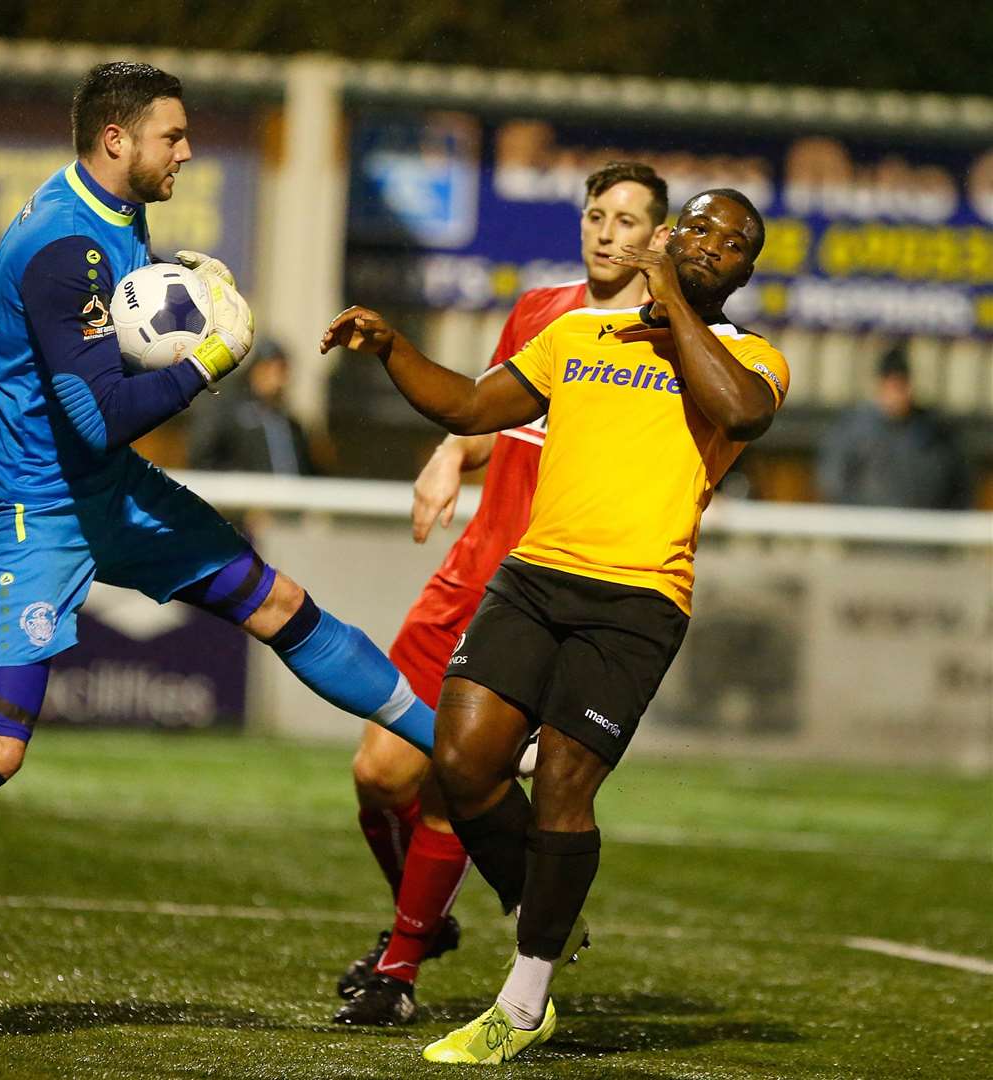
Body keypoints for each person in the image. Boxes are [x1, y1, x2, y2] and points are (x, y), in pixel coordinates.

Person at [0, 61, 437, 1044]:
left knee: (274, 601)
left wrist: (177, 292)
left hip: (100, 494)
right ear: (115, 141)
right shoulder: (66, 249)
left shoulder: (103, 215)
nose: (187, 150)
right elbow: (93, 416)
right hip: (27, 511)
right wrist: (210, 357)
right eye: (172, 137)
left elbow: (102, 351)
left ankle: (455, 746)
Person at [322, 188, 789, 1064]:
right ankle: (541, 906)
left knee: (566, 793)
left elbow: (740, 414)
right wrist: (392, 348)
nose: (710, 243)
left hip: (639, 601)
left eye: (732, 243)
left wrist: (674, 306)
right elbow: (468, 407)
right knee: (460, 761)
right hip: (532, 579)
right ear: (670, 234)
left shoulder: (750, 356)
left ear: (744, 272)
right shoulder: (575, 335)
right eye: (698, 226)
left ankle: (526, 997)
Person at [333, 162, 671, 1026]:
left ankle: (401, 968)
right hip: (468, 573)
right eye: (597, 214)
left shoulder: (667, 341)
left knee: (453, 776)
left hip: (542, 591)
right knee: (379, 774)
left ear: (655, 238)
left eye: (627, 220)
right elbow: (493, 410)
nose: (606, 232)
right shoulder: (539, 311)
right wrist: (452, 453)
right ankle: (444, 914)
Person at [816, 344, 971, 509]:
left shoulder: (934, 431)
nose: (897, 394)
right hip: (866, 528)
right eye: (891, 386)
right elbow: (833, 482)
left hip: (923, 528)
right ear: (879, 386)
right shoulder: (853, 429)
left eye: (901, 385)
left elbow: (957, 483)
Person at [189, 336, 316, 475]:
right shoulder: (230, 415)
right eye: (268, 370)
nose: (277, 380)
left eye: (282, 371)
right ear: (254, 372)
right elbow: (204, 458)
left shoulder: (291, 424)